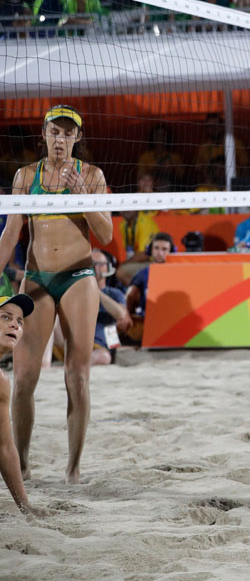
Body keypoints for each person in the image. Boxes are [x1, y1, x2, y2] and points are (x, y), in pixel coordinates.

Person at [0, 105, 112, 484]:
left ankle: (73, 469)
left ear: (77, 138)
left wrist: (84, 198)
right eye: (54, 132)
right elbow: (11, 233)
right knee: (24, 377)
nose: (60, 139)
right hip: (37, 277)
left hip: (78, 276)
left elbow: (107, 235)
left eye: (67, 133)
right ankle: (24, 463)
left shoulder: (91, 175)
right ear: (44, 134)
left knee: (77, 376)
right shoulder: (25, 176)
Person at [0, 294, 41, 516]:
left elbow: (5, 448)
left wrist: (26, 507)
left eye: (19, 321)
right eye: (5, 317)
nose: (15, 324)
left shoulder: (2, 382)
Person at [125, 232, 173, 344]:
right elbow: (129, 297)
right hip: (148, 322)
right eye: (156, 248)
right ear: (150, 250)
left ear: (171, 251)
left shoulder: (179, 273)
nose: (160, 253)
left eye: (164, 249)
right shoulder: (143, 274)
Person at [89, 249, 129, 366]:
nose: (95, 268)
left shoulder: (115, 294)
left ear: (108, 267)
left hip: (99, 345)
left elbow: (122, 315)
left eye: (100, 264)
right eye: (91, 264)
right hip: (73, 342)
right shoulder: (77, 292)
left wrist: (95, 290)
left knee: (104, 357)